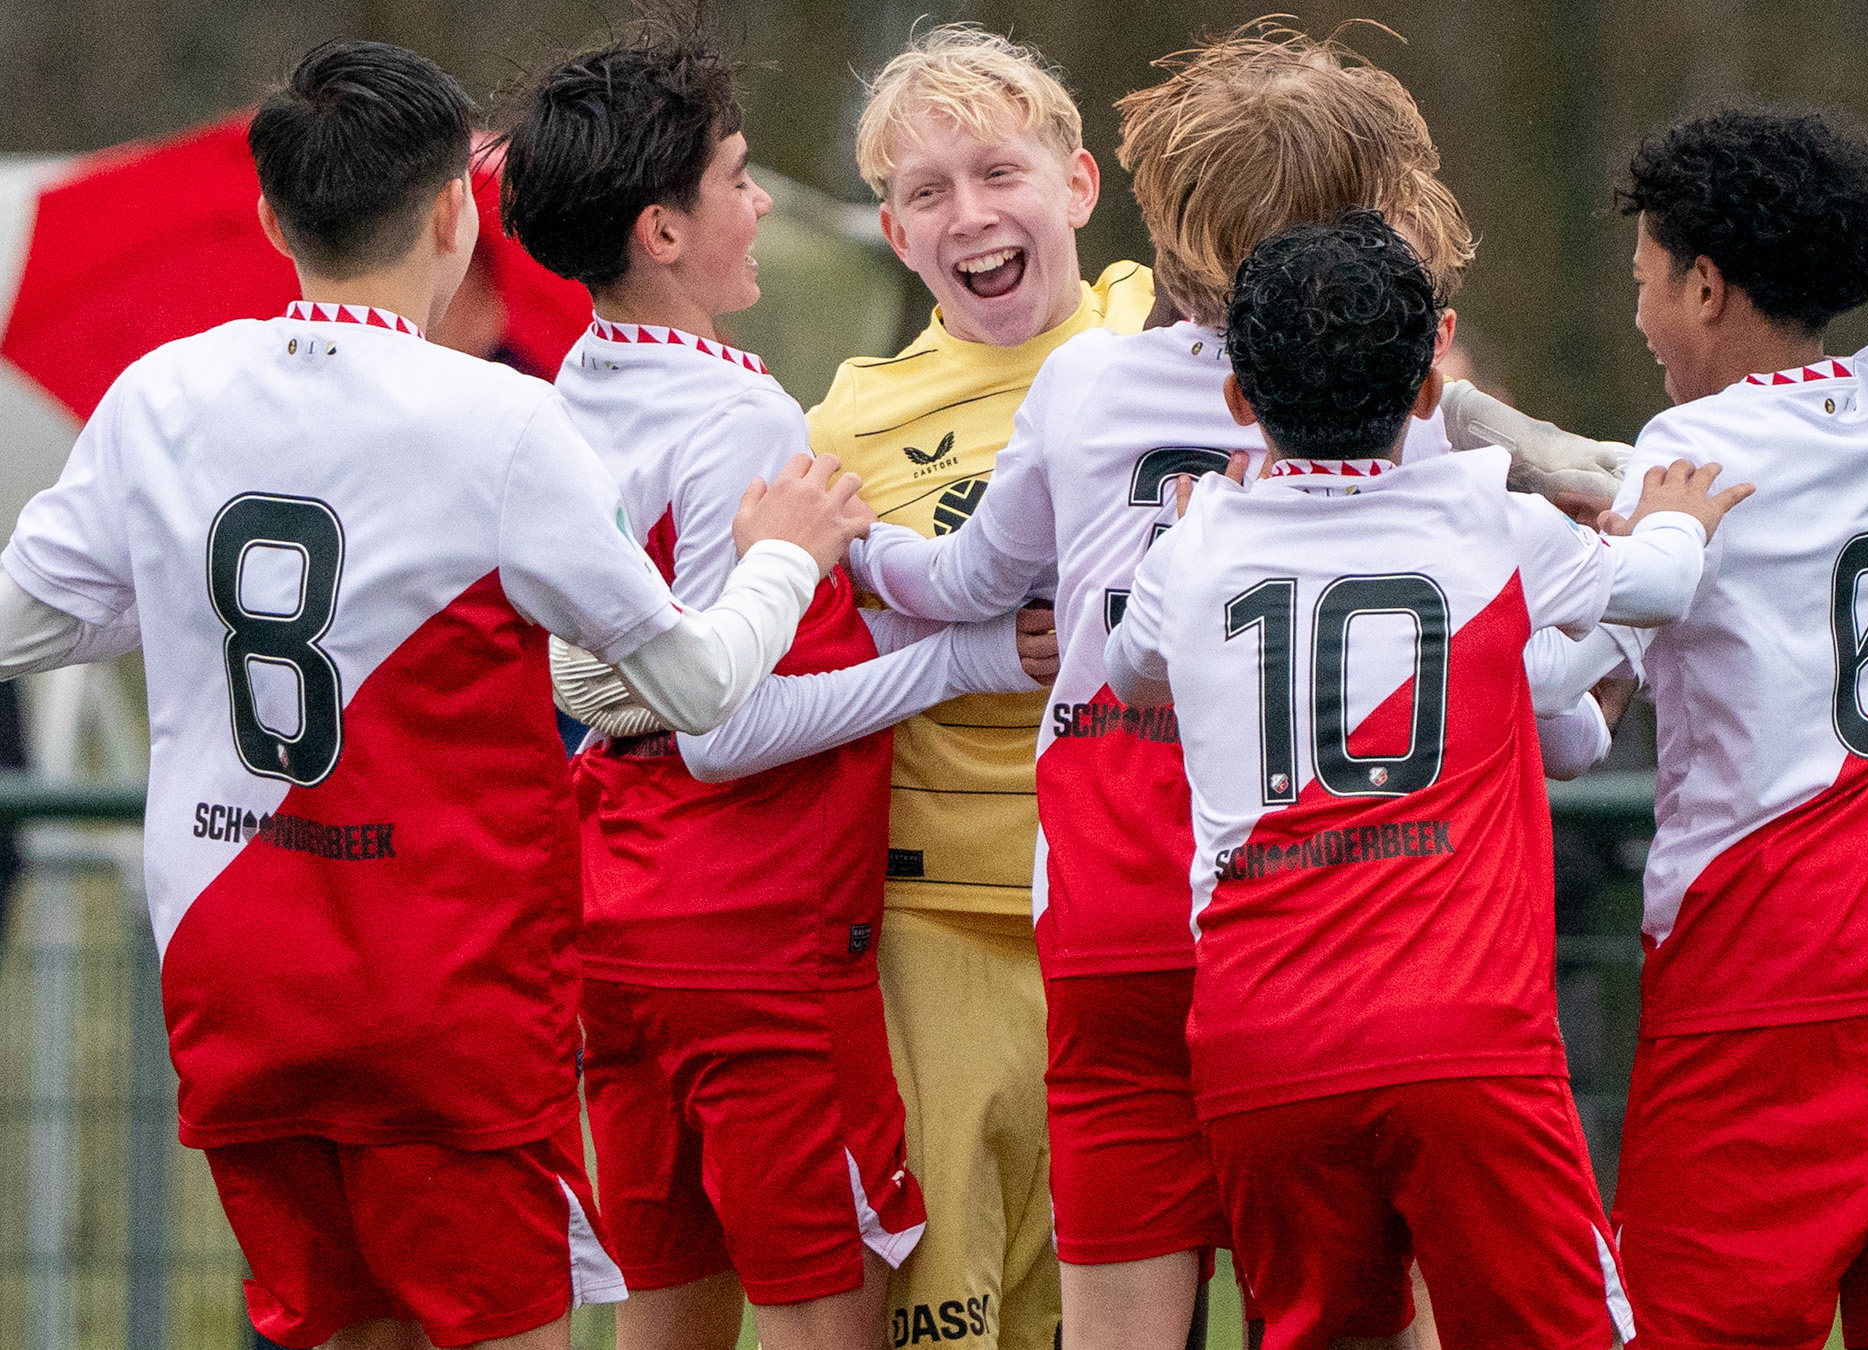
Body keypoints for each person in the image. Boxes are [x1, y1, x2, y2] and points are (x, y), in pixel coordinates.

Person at [0, 39, 869, 1350]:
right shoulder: (499, 424)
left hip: (236, 982)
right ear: (457, 210)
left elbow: (25, 621)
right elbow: (693, 682)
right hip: (436, 990)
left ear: (271, 215)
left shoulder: (159, 395)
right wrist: (784, 559)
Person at [846, 25, 1602, 1345]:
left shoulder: (1080, 380)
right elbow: (1518, 685)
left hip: (1112, 889)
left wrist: (846, 544)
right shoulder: (1403, 413)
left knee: (1121, 1321)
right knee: (1378, 1300)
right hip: (1329, 908)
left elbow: (971, 577)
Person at [1104, 208, 1743, 1350]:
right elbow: (1657, 583)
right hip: (1464, 1037)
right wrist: (1678, 522)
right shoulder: (1487, 521)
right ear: (1430, 374)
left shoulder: (1192, 548)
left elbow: (1131, 674)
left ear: (1239, 399)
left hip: (1261, 1036)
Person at [499, 31, 1048, 1350]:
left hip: (616, 912)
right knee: (817, 1312)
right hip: (755, 938)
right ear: (663, 231)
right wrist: (962, 661)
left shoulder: (564, 392)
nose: (758, 204)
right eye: (735, 178)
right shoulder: (740, 415)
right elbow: (724, 731)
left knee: (669, 1307)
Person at [1585, 109, 1868, 1349]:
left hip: (1755, 967)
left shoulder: (1685, 447)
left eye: (1648, 283)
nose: (1639, 316)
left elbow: (1583, 690)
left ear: (1707, 286)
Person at [801, 26, 1151, 1349]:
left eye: (997, 172)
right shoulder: (846, 426)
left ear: (1075, 184)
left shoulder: (1163, 343)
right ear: (894, 235)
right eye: (929, 191)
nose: (971, 213)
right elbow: (819, 670)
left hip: (1135, 904)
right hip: (935, 912)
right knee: (947, 1314)